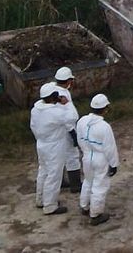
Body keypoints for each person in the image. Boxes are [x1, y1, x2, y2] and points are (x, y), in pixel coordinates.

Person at [30, 82, 78, 215]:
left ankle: (40, 199)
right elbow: (73, 117)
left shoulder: (35, 109)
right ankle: (50, 205)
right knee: (54, 175)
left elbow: (33, 127)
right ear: (54, 96)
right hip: (54, 145)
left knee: (43, 171)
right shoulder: (55, 112)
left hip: (41, 143)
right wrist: (67, 103)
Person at [75, 93, 119, 225]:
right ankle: (96, 214)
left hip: (87, 156)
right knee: (100, 186)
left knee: (88, 182)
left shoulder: (82, 121)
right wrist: (114, 164)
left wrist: (85, 151)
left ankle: (84, 206)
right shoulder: (104, 126)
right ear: (105, 108)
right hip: (100, 159)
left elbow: (79, 139)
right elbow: (110, 148)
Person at [52, 66, 82, 192]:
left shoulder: (52, 90)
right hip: (66, 129)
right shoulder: (63, 94)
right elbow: (68, 117)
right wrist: (73, 134)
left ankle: (60, 181)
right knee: (72, 155)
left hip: (55, 128)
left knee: (59, 154)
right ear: (69, 81)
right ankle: (75, 185)